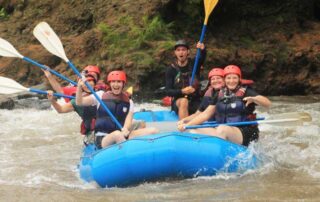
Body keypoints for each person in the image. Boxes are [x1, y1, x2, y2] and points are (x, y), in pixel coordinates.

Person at [178, 65, 271, 147]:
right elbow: (205, 114)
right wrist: (188, 125)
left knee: (223, 129)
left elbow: (267, 103)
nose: (231, 81)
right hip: (224, 131)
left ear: (239, 79)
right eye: (228, 78)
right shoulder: (219, 94)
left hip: (246, 132)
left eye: (234, 78)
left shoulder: (247, 92)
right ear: (224, 80)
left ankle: (218, 150)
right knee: (195, 129)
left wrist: (255, 99)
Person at [76, 70, 159, 149]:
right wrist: (79, 88)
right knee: (117, 134)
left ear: (123, 84)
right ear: (110, 83)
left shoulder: (129, 102)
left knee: (153, 131)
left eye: (119, 82)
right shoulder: (100, 95)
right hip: (103, 138)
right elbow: (79, 102)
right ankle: (128, 154)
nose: (116, 84)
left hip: (122, 134)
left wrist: (125, 129)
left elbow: (127, 123)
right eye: (113, 81)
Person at [46, 70, 98, 141]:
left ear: (95, 83)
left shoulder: (102, 93)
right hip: (92, 133)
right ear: (80, 85)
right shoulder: (75, 99)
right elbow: (60, 109)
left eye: (90, 81)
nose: (87, 84)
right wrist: (52, 100)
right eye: (85, 82)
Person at [165, 39, 206, 120]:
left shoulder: (195, 64)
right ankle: (184, 128)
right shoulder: (171, 69)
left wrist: (203, 49)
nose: (181, 52)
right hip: (179, 101)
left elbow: (202, 57)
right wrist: (182, 91)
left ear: (188, 52)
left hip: (195, 100)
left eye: (183, 50)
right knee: (184, 101)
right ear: (175, 52)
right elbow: (168, 91)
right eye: (178, 50)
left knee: (207, 103)